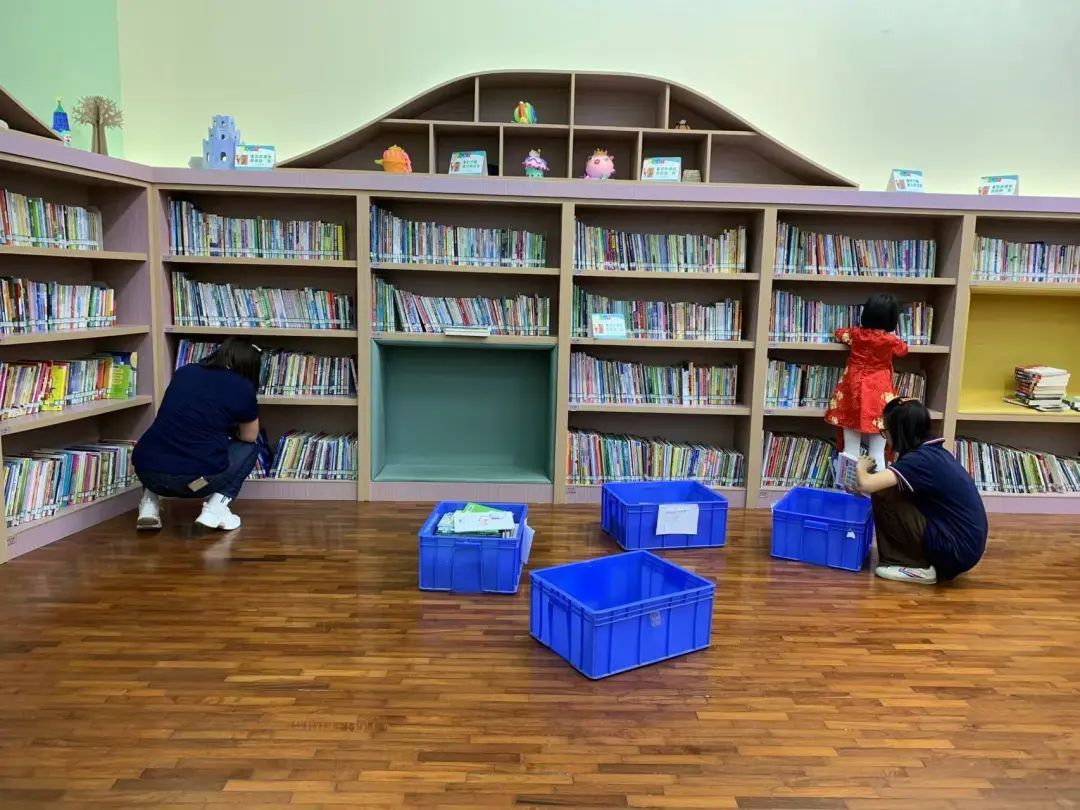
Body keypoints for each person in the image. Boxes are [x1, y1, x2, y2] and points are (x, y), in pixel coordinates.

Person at [855, 397, 988, 585]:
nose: (885, 437)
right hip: (964, 546)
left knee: (883, 492)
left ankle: (916, 567)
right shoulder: (932, 451)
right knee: (891, 488)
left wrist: (861, 466)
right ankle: (913, 559)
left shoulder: (919, 461)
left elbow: (866, 484)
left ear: (899, 431)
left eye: (885, 431)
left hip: (955, 551)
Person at [133, 338, 262, 531]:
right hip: (195, 484)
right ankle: (215, 508)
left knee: (161, 441)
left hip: (147, 474)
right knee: (249, 448)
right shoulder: (243, 387)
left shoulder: (185, 372)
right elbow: (249, 436)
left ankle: (149, 505)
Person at [825, 293, 909, 471]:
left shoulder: (856, 334)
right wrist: (891, 335)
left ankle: (848, 484)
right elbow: (903, 350)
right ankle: (877, 486)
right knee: (877, 452)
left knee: (850, 449)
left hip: (852, 391)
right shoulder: (890, 341)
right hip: (879, 394)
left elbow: (839, 333)